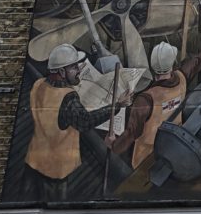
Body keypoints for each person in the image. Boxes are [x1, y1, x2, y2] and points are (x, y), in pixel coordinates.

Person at [24, 44, 132, 201]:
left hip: (34, 158)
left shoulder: (39, 84)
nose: (79, 70)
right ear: (61, 71)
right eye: (74, 67)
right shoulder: (68, 97)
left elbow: (54, 111)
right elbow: (85, 122)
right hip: (55, 171)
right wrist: (117, 106)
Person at [112, 34, 201, 167]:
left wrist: (114, 144)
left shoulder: (145, 99)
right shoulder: (182, 78)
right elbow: (198, 61)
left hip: (146, 158)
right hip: (174, 146)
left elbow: (132, 133)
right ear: (173, 65)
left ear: (152, 68)